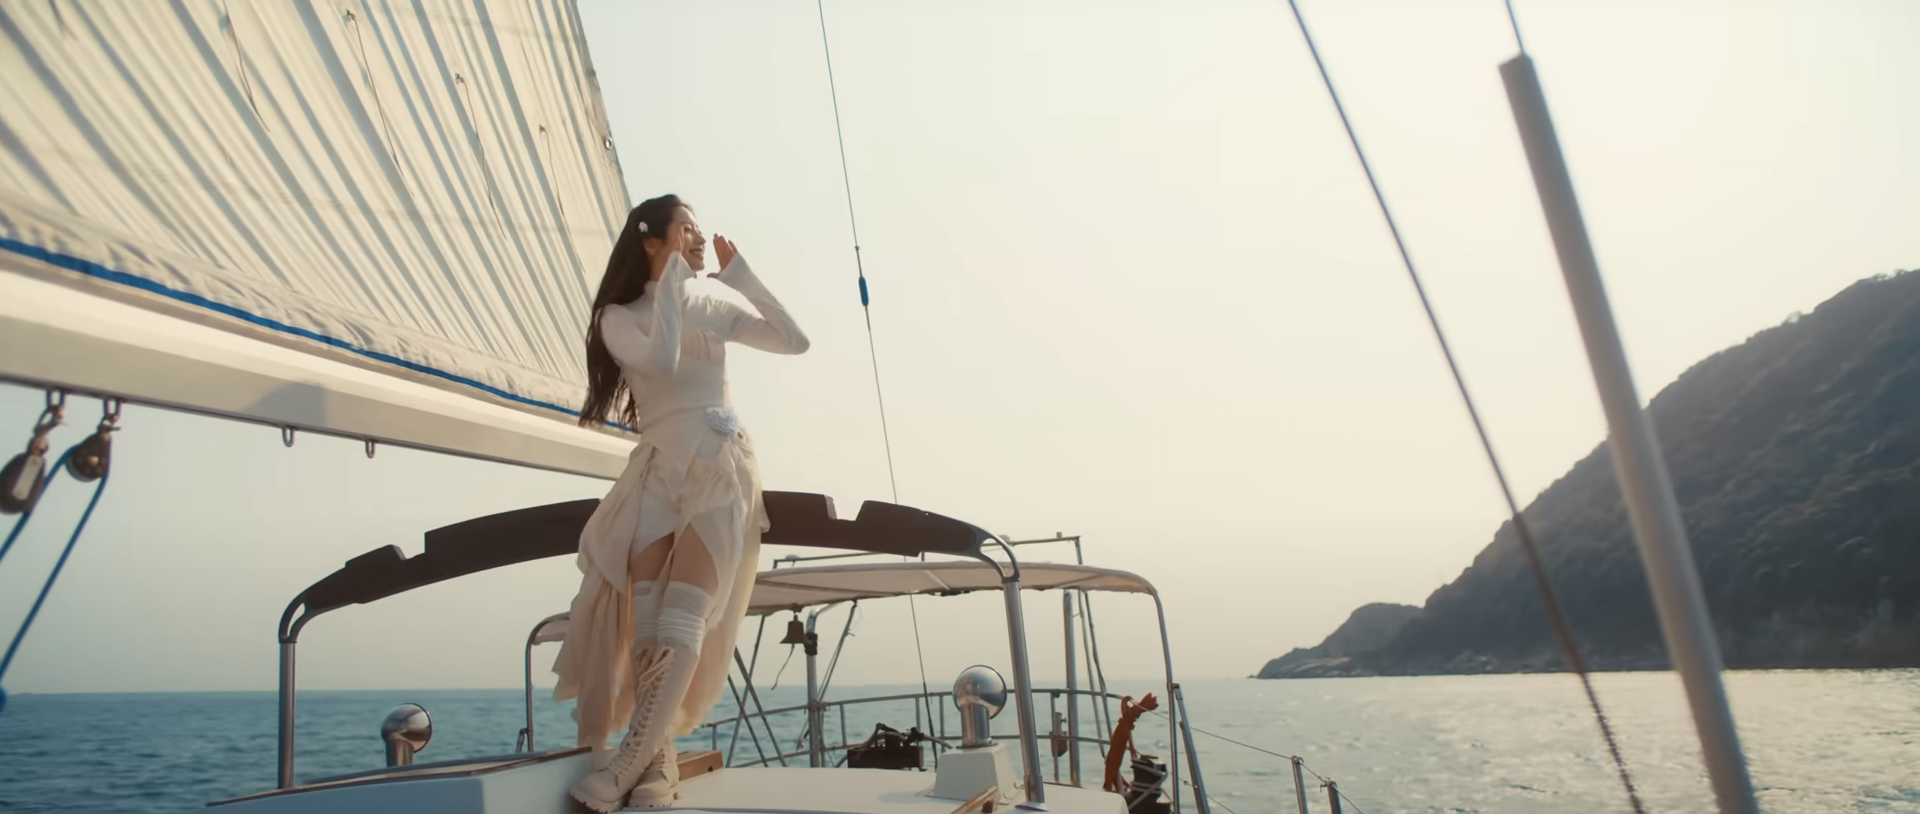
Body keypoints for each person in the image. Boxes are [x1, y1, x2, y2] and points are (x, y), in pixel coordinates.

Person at [552, 194, 809, 811]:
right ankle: (657, 768)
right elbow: (660, 358)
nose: (699, 237)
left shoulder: (715, 301)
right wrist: (671, 284)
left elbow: (795, 341)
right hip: (659, 473)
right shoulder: (618, 316)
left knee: (682, 619)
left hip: (719, 468)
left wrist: (742, 277)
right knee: (648, 629)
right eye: (687, 228)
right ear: (651, 241)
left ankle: (622, 772)